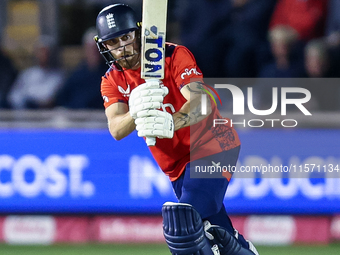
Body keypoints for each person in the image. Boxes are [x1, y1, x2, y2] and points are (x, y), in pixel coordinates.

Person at [95, 4, 258, 255]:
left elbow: (201, 101)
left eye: (126, 37)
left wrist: (172, 122)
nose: (122, 48)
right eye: (113, 42)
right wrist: (135, 111)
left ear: (138, 33)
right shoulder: (111, 80)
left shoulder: (172, 55)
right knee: (216, 236)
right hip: (177, 166)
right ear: (103, 45)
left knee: (183, 224)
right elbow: (116, 129)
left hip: (213, 145)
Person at [55, 27, 107, 109]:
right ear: (85, 49)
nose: (94, 52)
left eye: (97, 48)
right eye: (91, 48)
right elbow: (62, 98)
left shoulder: (110, 73)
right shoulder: (77, 74)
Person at [7, 35, 65, 109]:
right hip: (22, 114)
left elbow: (46, 97)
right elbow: (13, 95)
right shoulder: (27, 74)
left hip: (43, 115)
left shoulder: (58, 76)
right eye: (39, 51)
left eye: (45, 51)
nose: (42, 55)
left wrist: (29, 97)